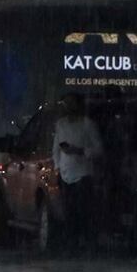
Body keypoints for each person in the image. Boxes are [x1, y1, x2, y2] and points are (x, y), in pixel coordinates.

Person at [52, 92, 103, 252]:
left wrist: (80, 151)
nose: (68, 107)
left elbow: (98, 149)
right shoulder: (61, 124)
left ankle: (86, 242)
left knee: (83, 211)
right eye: (66, 103)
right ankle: (71, 243)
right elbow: (56, 148)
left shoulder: (88, 124)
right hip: (65, 175)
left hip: (83, 174)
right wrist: (57, 168)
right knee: (69, 211)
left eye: (72, 103)